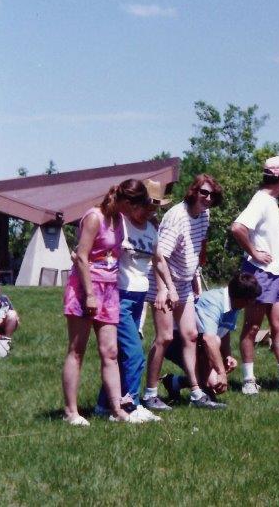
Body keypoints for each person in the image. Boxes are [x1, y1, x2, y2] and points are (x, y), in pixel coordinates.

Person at [93, 179, 179, 421]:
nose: (151, 211)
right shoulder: (119, 223)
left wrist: (169, 288)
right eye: (147, 206)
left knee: (122, 353)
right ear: (134, 204)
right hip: (117, 295)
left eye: (155, 207)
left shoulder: (152, 228)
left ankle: (104, 406)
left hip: (139, 298)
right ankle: (130, 405)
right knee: (134, 353)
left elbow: (159, 260)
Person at [61, 182, 144, 425]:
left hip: (109, 289)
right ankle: (71, 412)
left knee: (110, 352)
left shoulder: (119, 220)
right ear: (127, 202)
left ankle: (117, 410)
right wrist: (89, 295)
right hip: (86, 288)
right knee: (77, 351)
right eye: (137, 206)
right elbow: (82, 256)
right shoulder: (94, 217)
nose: (138, 212)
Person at [142, 174, 223, 411]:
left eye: (212, 194)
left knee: (190, 336)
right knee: (165, 337)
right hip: (164, 281)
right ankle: (150, 394)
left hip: (185, 283)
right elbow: (160, 257)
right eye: (203, 193)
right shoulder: (177, 217)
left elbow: (197, 251)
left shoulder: (204, 215)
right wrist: (163, 289)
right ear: (193, 192)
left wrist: (195, 279)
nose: (207, 198)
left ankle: (196, 392)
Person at [231, 155, 279, 394]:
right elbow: (237, 227)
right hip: (260, 273)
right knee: (253, 326)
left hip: (276, 273)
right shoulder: (261, 201)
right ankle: (249, 380)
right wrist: (253, 252)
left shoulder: (271, 202)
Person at [161, 272, 262, 408]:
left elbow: (224, 331)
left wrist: (227, 356)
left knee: (215, 383)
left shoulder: (234, 304)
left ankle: (173, 382)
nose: (252, 303)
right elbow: (209, 339)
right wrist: (221, 373)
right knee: (215, 381)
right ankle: (198, 391)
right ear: (242, 298)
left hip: (197, 344)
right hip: (177, 342)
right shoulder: (214, 302)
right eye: (251, 299)